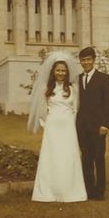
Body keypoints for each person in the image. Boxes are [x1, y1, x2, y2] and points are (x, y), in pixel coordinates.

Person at [27, 51, 87, 203]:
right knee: (52, 158)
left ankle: (71, 191)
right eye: (58, 70)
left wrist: (72, 124)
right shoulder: (46, 89)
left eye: (63, 70)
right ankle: (48, 192)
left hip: (68, 128)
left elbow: (75, 109)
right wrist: (45, 125)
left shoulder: (73, 89)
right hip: (52, 128)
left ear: (67, 72)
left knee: (68, 157)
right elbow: (42, 110)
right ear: (53, 71)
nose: (61, 73)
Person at [76, 47, 109, 200]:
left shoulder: (103, 78)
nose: (86, 62)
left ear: (93, 60)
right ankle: (89, 190)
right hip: (82, 126)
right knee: (86, 158)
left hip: (99, 126)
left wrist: (105, 124)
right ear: (80, 61)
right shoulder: (77, 79)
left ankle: (99, 192)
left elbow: (108, 103)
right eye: (83, 60)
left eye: (88, 59)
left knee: (99, 158)